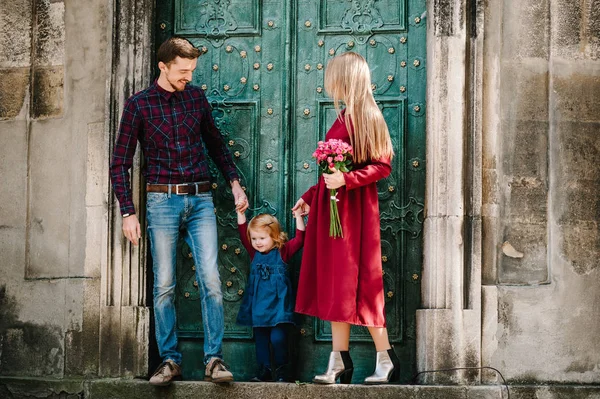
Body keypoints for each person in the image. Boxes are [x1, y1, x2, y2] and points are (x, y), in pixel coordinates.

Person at [110, 36, 248, 386]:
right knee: (165, 286)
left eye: (192, 70)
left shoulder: (197, 98)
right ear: (163, 66)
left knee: (212, 281)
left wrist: (233, 182)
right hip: (161, 202)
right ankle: (169, 360)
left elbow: (215, 143)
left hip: (201, 199)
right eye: (183, 71)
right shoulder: (138, 106)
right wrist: (128, 211)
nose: (189, 77)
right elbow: (119, 164)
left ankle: (214, 360)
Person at [292, 52, 400, 385]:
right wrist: (311, 197)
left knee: (363, 284)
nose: (330, 82)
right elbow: (331, 169)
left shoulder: (367, 115)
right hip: (331, 211)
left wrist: (347, 181)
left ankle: (385, 358)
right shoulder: (344, 115)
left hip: (352, 216)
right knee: (336, 285)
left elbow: (382, 166)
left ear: (347, 77)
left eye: (335, 75)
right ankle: (339, 361)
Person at [235, 209, 305, 382]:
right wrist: (240, 213)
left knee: (278, 338)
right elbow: (243, 233)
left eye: (262, 238)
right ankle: (264, 370)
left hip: (279, 307)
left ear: (274, 237)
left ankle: (282, 370)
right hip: (259, 306)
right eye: (254, 239)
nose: (257, 243)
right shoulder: (254, 254)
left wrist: (299, 218)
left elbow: (300, 239)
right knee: (261, 340)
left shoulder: (283, 252)